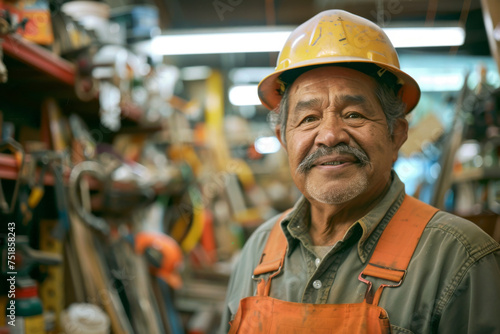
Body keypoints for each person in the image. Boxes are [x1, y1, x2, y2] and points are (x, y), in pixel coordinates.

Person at [220, 9, 500, 334]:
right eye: (309, 118)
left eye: (353, 114)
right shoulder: (257, 252)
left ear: (396, 133)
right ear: (284, 138)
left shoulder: (458, 259)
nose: (329, 135)